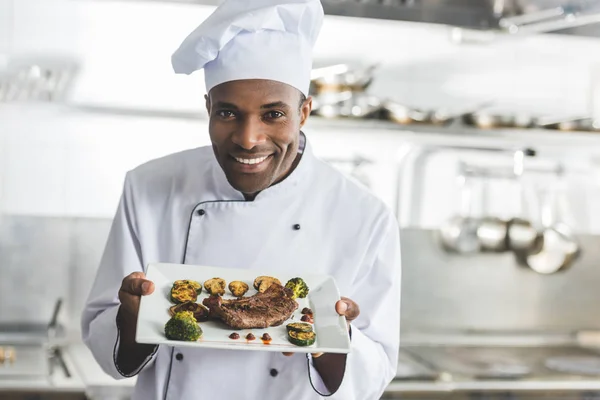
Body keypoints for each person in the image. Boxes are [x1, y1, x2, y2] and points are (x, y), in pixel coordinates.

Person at [81, 0, 401, 399]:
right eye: (229, 113)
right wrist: (131, 319)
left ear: (303, 112)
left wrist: (332, 341)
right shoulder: (148, 187)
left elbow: (377, 366)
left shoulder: (365, 216)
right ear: (208, 109)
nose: (249, 138)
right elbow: (105, 340)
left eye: (273, 115)